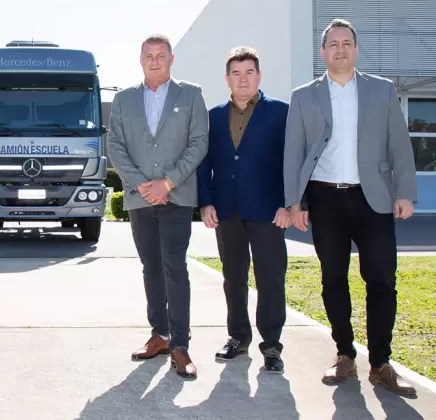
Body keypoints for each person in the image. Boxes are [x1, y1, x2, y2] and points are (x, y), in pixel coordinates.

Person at [284, 19, 418, 395]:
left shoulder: (382, 91)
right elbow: (293, 152)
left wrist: (404, 191)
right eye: (333, 44)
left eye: (346, 43)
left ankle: (380, 363)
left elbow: (399, 143)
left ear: (356, 50)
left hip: (372, 198)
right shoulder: (304, 96)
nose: (340, 49)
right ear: (323, 52)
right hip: (325, 199)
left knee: (381, 280)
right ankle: (344, 354)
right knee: (333, 280)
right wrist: (295, 201)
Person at [107, 34, 209, 378]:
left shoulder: (191, 94)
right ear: (140, 60)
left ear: (171, 59)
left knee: (174, 268)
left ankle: (181, 345)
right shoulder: (123, 100)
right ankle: (160, 335)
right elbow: (116, 145)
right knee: (151, 267)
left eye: (160, 55)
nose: (154, 61)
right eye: (148, 56)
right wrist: (141, 184)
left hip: (176, 196)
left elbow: (198, 143)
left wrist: (166, 183)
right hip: (140, 199)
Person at [197, 47, 290, 373]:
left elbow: (291, 161)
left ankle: (272, 346)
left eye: (249, 72)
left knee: (270, 279)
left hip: (269, 211)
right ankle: (238, 337)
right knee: (233, 277)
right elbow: (204, 162)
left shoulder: (280, 113)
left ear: (259, 76)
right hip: (227, 211)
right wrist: (205, 202)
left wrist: (289, 204)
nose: (243, 79)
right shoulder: (214, 115)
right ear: (227, 79)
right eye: (236, 73)